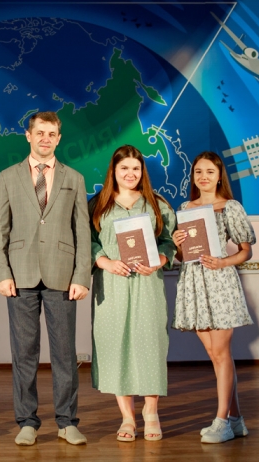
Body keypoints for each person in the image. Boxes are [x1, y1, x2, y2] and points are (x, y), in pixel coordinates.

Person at [0, 111, 91, 446]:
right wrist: (2, 274)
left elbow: (82, 231)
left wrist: (81, 276)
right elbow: (0, 228)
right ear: (28, 135)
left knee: (64, 354)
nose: (45, 139)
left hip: (62, 276)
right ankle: (27, 422)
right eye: (40, 132)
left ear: (59, 139)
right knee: (24, 354)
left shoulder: (74, 178)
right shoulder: (8, 176)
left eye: (51, 134)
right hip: (19, 276)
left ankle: (67, 422)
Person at [89, 145, 176, 442]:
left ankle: (151, 412)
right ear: (113, 171)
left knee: (150, 343)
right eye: (124, 168)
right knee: (116, 346)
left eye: (136, 168)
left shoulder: (157, 204)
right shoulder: (98, 205)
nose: (130, 173)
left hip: (147, 284)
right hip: (111, 284)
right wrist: (105, 262)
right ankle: (127, 417)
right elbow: (87, 241)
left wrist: (159, 261)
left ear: (142, 172)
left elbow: (169, 242)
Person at [171, 151, 256, 444]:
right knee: (216, 355)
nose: (203, 177)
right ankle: (236, 420)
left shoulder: (230, 207)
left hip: (220, 283)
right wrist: (177, 244)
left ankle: (221, 421)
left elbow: (246, 252)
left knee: (221, 354)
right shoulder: (185, 208)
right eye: (198, 172)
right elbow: (182, 256)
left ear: (220, 176)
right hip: (194, 283)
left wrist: (222, 262)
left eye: (209, 171)